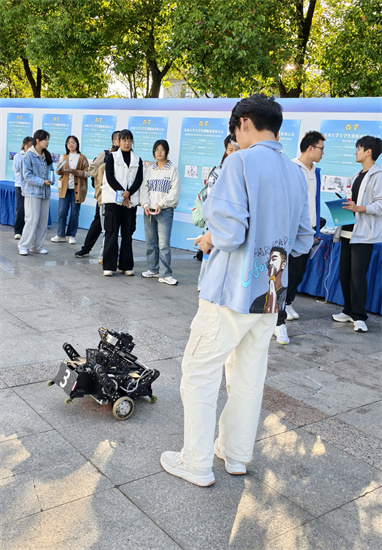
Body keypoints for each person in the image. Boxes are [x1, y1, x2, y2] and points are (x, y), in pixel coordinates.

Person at [160, 93, 313, 487]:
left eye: (236, 130)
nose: (236, 138)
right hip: (271, 293)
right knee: (247, 376)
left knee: (199, 372)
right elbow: (301, 240)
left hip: (231, 292)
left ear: (244, 122)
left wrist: (210, 236)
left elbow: (229, 233)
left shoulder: (239, 162)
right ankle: (235, 455)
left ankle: (195, 461)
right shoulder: (297, 172)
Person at [274, 130, 326, 345]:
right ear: (310, 147)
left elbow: (313, 202)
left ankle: (287, 305)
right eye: (321, 148)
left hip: (308, 231)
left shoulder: (316, 171)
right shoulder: (291, 167)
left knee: (297, 273)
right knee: (282, 277)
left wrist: (315, 230)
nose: (323, 153)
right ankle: (279, 321)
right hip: (289, 233)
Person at [332, 135, 382, 333]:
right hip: (347, 230)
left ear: (368, 151)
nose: (355, 152)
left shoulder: (378, 176)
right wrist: (344, 206)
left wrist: (358, 207)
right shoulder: (356, 175)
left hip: (363, 234)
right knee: (344, 273)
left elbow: (379, 205)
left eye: (358, 148)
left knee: (357, 276)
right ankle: (348, 310)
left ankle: (360, 316)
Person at [195, 136, 239, 291]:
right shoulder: (218, 171)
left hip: (233, 224)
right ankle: (203, 283)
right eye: (230, 150)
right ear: (226, 151)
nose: (233, 153)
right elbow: (209, 198)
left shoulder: (245, 171)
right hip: (215, 221)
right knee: (210, 254)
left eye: (237, 149)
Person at [101, 128, 143, 277]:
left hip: (129, 202)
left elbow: (139, 179)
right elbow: (110, 177)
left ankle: (126, 265)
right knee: (111, 233)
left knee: (127, 234)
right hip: (114, 201)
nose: (127, 143)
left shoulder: (138, 159)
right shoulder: (112, 157)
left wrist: (128, 193)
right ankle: (109, 266)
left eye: (129, 140)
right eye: (124, 140)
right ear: (118, 141)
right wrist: (122, 193)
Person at [74, 131, 120, 260]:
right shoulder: (105, 154)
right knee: (99, 222)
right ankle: (88, 249)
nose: (122, 142)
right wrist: (103, 174)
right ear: (114, 141)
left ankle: (108, 254)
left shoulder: (126, 157)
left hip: (119, 196)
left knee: (109, 225)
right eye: (119, 139)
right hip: (104, 195)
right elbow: (91, 169)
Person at [140, 139, 181, 285]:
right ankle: (153, 269)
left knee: (163, 244)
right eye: (156, 149)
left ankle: (165, 274)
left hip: (164, 211)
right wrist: (145, 204)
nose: (159, 152)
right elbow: (144, 189)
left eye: (162, 150)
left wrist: (161, 204)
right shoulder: (150, 169)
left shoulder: (172, 170)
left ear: (167, 152)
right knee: (151, 243)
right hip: (149, 211)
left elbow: (174, 192)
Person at [18, 130, 54, 256]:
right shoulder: (29, 155)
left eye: (48, 139)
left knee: (42, 221)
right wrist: (42, 181)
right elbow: (27, 175)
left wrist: (51, 179)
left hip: (45, 192)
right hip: (32, 192)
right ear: (37, 140)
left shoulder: (46, 155)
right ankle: (23, 245)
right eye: (46, 139)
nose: (47, 142)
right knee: (31, 219)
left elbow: (50, 171)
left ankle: (37, 246)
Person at [51, 136, 89, 245]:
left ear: (77, 144)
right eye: (68, 143)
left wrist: (75, 172)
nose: (71, 145)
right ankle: (60, 235)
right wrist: (59, 169)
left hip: (76, 190)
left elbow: (87, 173)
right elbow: (58, 172)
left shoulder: (82, 158)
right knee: (61, 212)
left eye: (73, 142)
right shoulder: (63, 157)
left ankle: (72, 235)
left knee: (74, 213)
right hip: (64, 189)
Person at [12, 136, 32, 239]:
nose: (29, 147)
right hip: (19, 185)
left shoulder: (33, 156)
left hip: (30, 185)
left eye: (31, 146)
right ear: (23, 145)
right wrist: (24, 158)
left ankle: (27, 231)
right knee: (20, 208)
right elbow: (16, 168)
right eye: (27, 145)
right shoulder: (17, 156)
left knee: (29, 210)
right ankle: (18, 231)